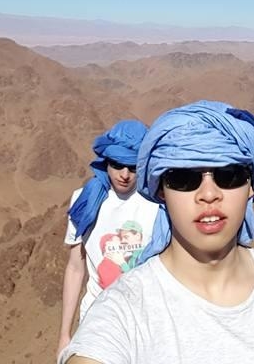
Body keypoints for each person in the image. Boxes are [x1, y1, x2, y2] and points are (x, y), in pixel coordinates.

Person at [60, 100, 254, 364]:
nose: (208, 194)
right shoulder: (123, 311)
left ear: (252, 186)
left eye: (229, 175)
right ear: (161, 190)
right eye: (184, 178)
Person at [56, 120, 159, 361]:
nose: (124, 175)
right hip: (98, 319)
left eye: (132, 166)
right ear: (106, 162)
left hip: (148, 320)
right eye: (117, 164)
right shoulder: (85, 201)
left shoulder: (157, 202)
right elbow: (75, 268)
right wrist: (64, 335)